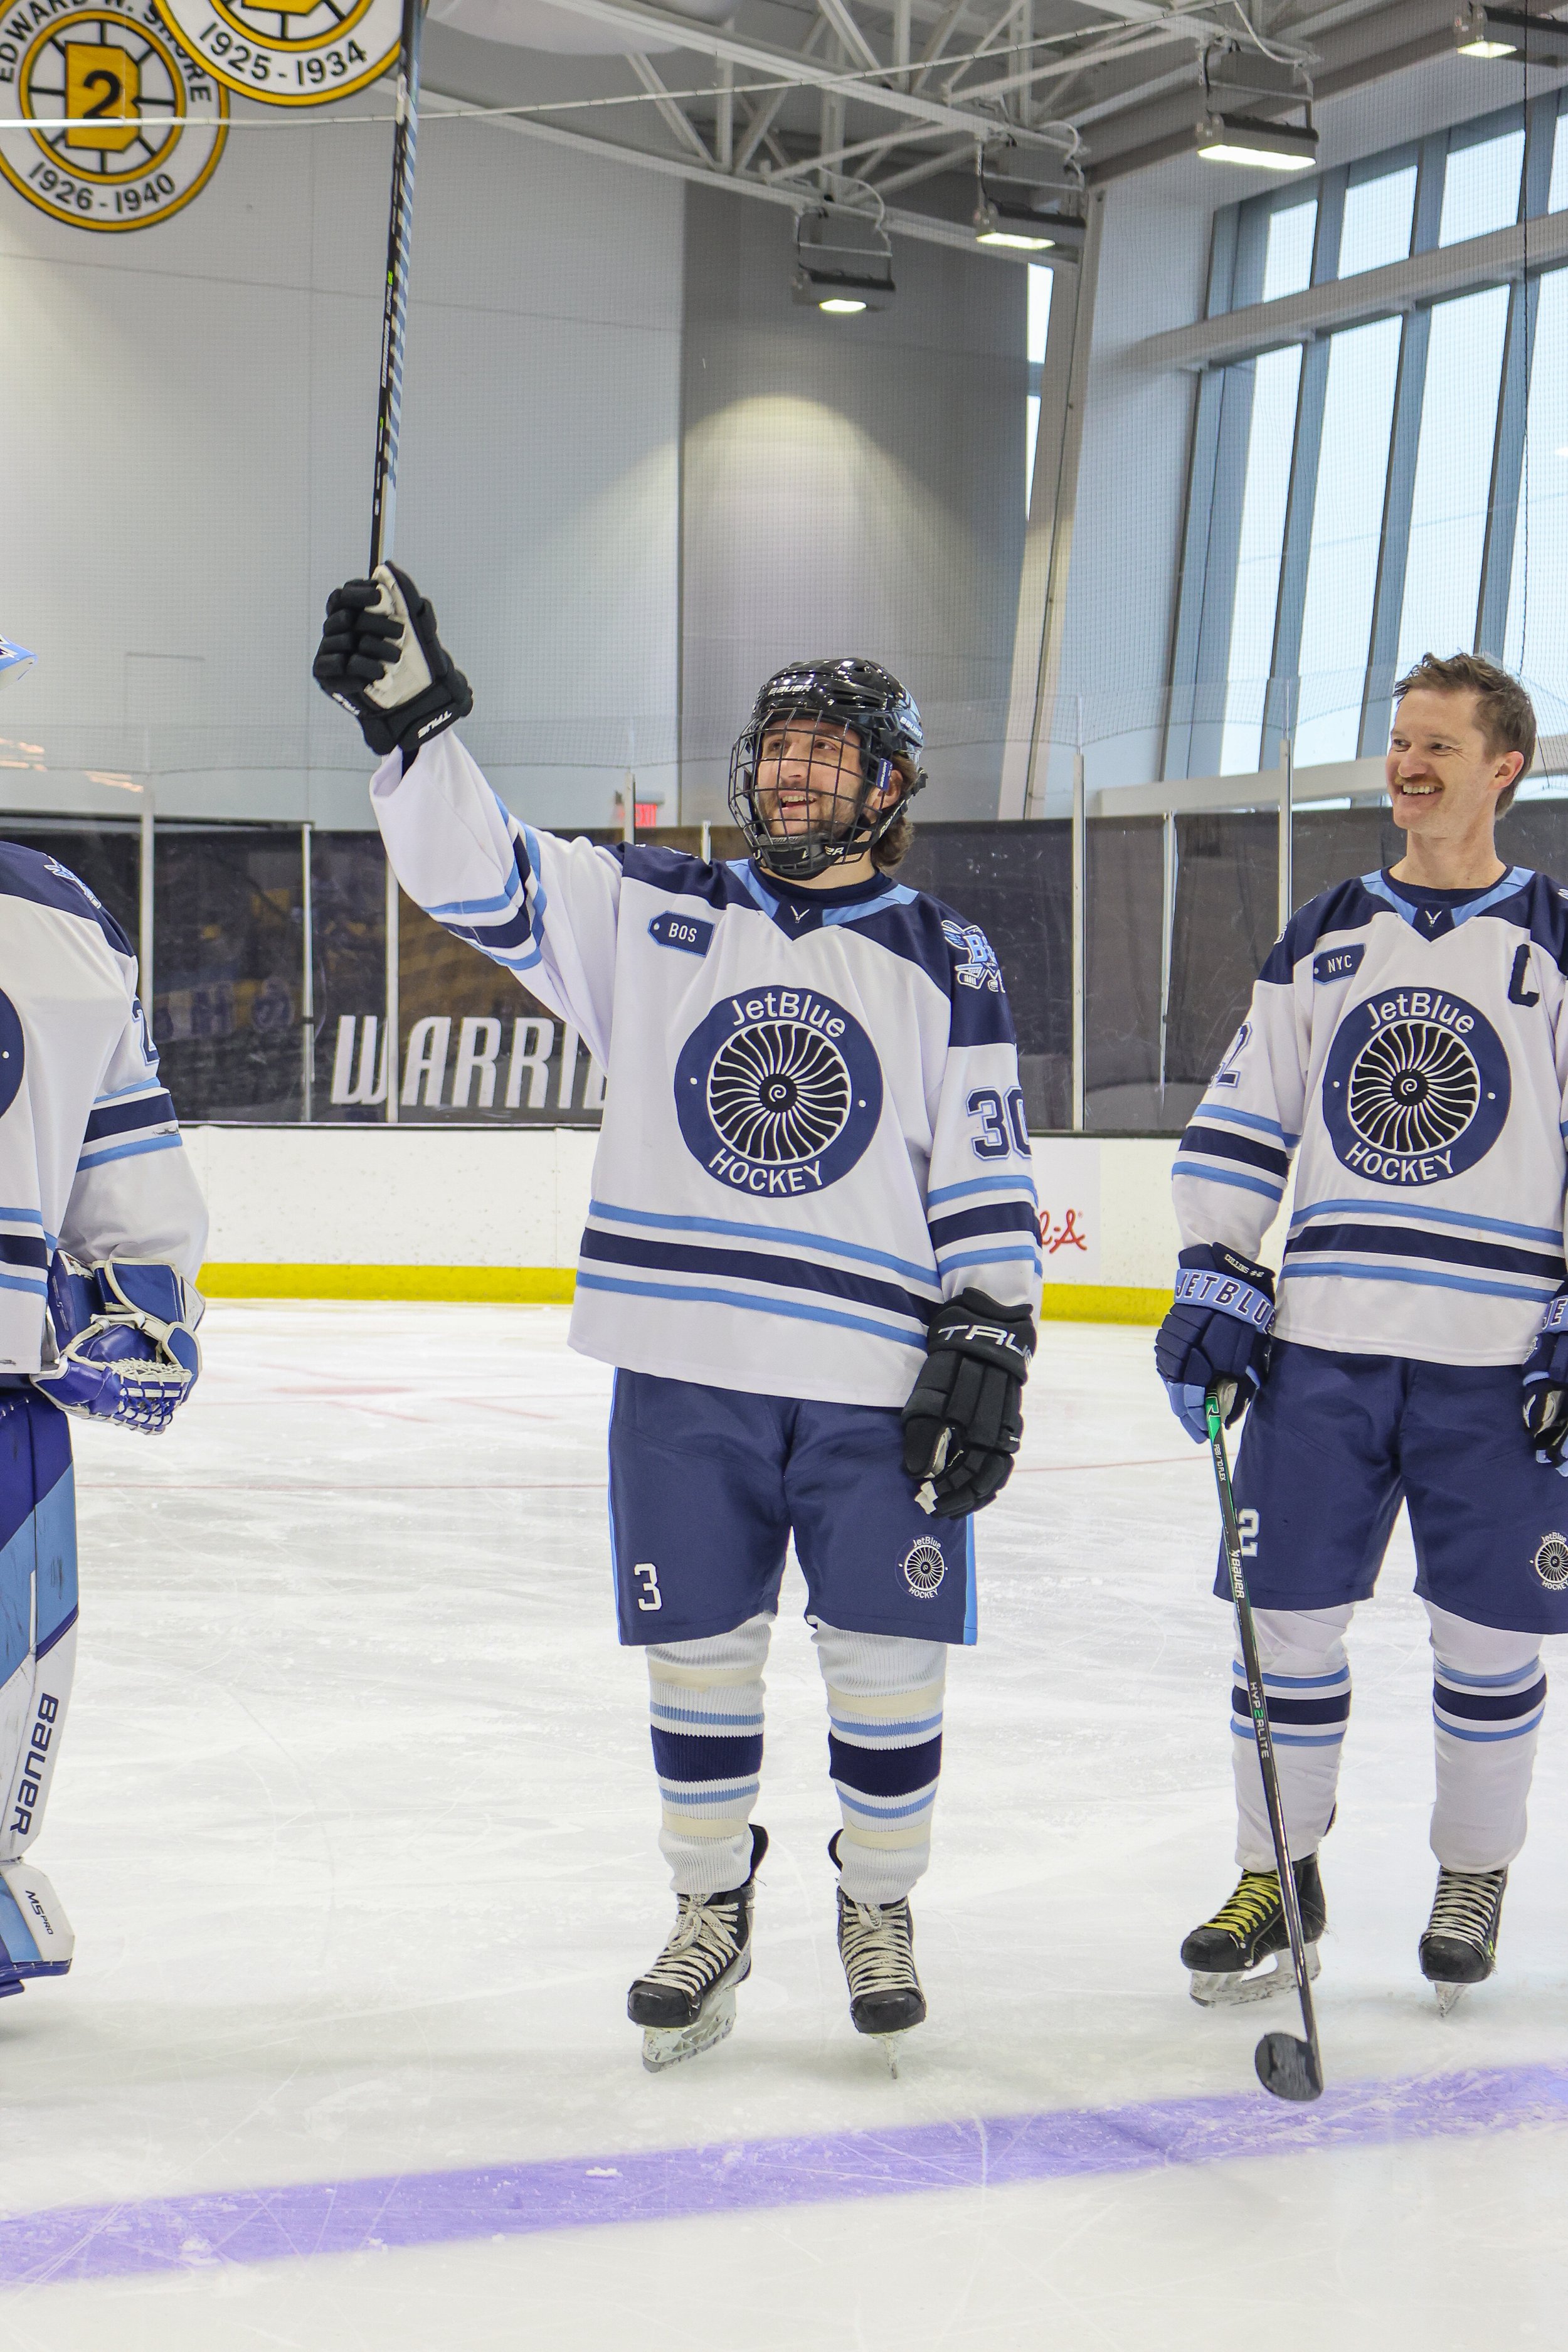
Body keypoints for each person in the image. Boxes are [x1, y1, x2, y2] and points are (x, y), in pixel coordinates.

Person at [313, 567, 1039, 2068]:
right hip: (681, 1372)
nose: (791, 767)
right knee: (697, 1660)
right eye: (777, 743)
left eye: (827, 749)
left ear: (885, 784)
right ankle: (709, 1909)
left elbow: (982, 1163)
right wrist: (411, 728)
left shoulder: (941, 955)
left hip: (868, 1376)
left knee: (886, 1666)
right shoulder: (650, 909)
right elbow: (477, 876)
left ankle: (878, 1903)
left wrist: (991, 1327)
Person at [1156, 649, 1568, 2013]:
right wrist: (1214, 1273)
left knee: (1486, 1641)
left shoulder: (1553, 942)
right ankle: (1275, 1870)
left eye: (1437, 745)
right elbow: (1247, 1116)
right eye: (1398, 741)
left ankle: (1470, 1870)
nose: (1407, 764)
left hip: (1494, 1365)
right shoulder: (1326, 927)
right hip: (1323, 1351)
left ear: (1502, 767)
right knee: (1279, 1628)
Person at [0, 634, 206, 1998]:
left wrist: (144, 1313)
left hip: (9, 1397)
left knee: (16, 1672)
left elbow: (125, 1176)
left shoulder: (64, 919)